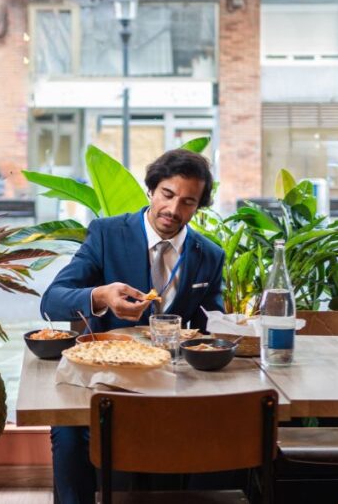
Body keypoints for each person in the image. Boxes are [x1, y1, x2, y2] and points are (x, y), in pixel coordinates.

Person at [40, 148, 225, 504]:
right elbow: (53, 299)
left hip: (173, 382)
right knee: (67, 432)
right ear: (151, 190)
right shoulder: (107, 234)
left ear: (198, 206)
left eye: (188, 202)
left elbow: (208, 329)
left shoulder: (210, 255)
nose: (173, 210)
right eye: (167, 195)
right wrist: (101, 296)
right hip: (103, 375)